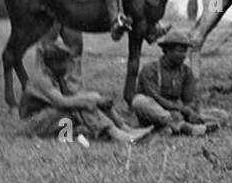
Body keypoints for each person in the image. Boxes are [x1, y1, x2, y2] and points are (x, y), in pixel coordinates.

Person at [18, 34, 152, 143]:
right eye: (65, 62)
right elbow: (62, 102)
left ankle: (123, 127)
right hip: (32, 124)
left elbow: (72, 95)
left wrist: (95, 98)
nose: (67, 66)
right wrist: (89, 101)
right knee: (80, 105)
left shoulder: (55, 75)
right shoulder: (42, 79)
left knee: (90, 99)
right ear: (53, 62)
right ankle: (116, 133)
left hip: (50, 117)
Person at [131, 27, 229, 136]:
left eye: (185, 51)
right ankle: (183, 127)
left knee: (222, 115)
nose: (183, 55)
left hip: (178, 114)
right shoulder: (150, 69)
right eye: (179, 51)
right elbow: (155, 98)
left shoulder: (186, 72)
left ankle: (170, 128)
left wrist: (191, 112)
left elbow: (190, 100)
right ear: (167, 50)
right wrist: (181, 109)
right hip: (157, 112)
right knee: (139, 101)